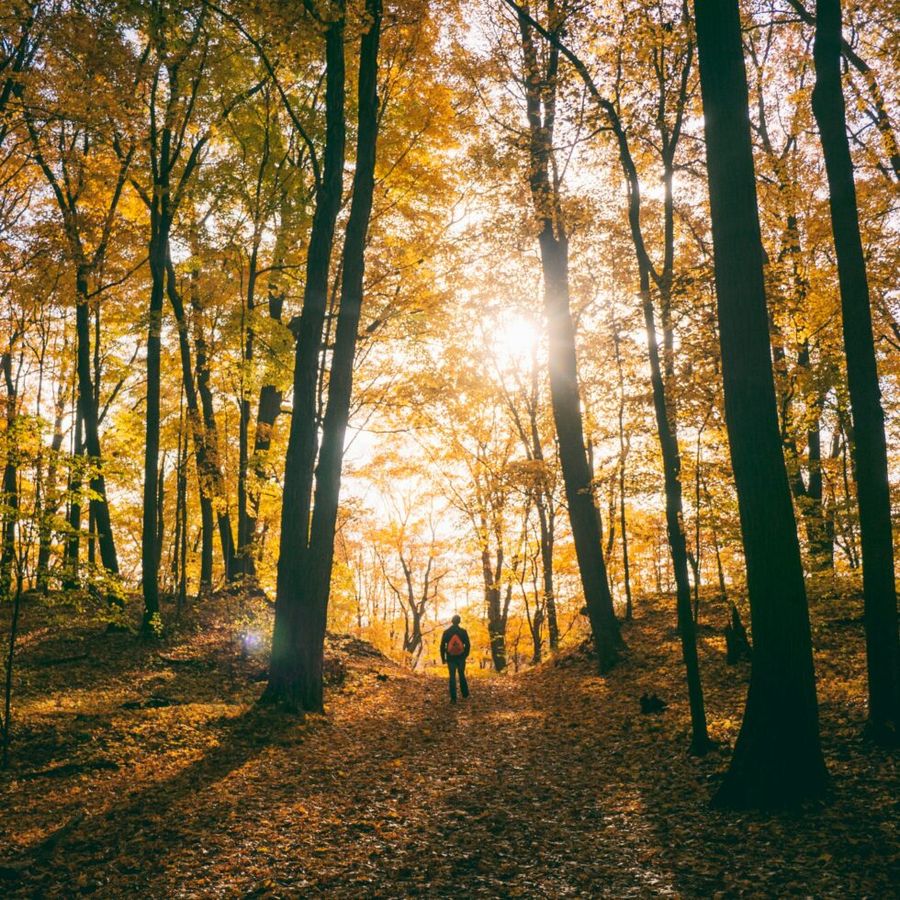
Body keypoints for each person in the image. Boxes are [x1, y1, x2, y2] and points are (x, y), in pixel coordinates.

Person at [440, 614, 470, 703]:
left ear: (452, 621)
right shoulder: (463, 632)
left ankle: (453, 699)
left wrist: (443, 658)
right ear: (459, 621)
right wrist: (465, 655)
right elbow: (468, 645)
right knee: (461, 674)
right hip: (461, 657)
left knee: (452, 677)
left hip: (450, 657)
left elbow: (442, 646)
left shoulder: (446, 632)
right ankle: (465, 694)